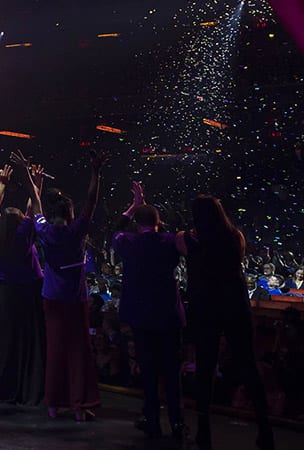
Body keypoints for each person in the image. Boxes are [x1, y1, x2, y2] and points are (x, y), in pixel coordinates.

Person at [176, 195, 275, 450]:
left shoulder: (189, 239)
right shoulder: (236, 237)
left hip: (206, 307)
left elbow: (176, 239)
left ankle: (203, 429)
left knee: (205, 367)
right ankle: (265, 430)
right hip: (234, 305)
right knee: (248, 365)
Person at [20, 150, 106, 421]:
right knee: (78, 350)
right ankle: (79, 406)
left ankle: (53, 404)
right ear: (69, 212)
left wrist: (29, 175)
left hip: (51, 299)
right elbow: (91, 201)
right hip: (74, 298)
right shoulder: (76, 230)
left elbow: (35, 201)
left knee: (55, 349)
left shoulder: (44, 230)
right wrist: (96, 171)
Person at [113, 181, 185, 438]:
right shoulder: (171, 241)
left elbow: (117, 229)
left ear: (136, 223)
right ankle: (177, 421)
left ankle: (152, 418)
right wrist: (144, 206)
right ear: (160, 221)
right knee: (171, 371)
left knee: (149, 370)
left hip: (141, 317)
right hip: (167, 315)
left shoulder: (128, 242)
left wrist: (134, 206)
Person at [0, 164, 46, 406]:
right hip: (30, 291)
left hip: (8, 292)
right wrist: (35, 183)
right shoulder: (24, 234)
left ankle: (4, 385)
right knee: (30, 338)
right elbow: (34, 208)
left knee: (7, 339)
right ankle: (31, 386)